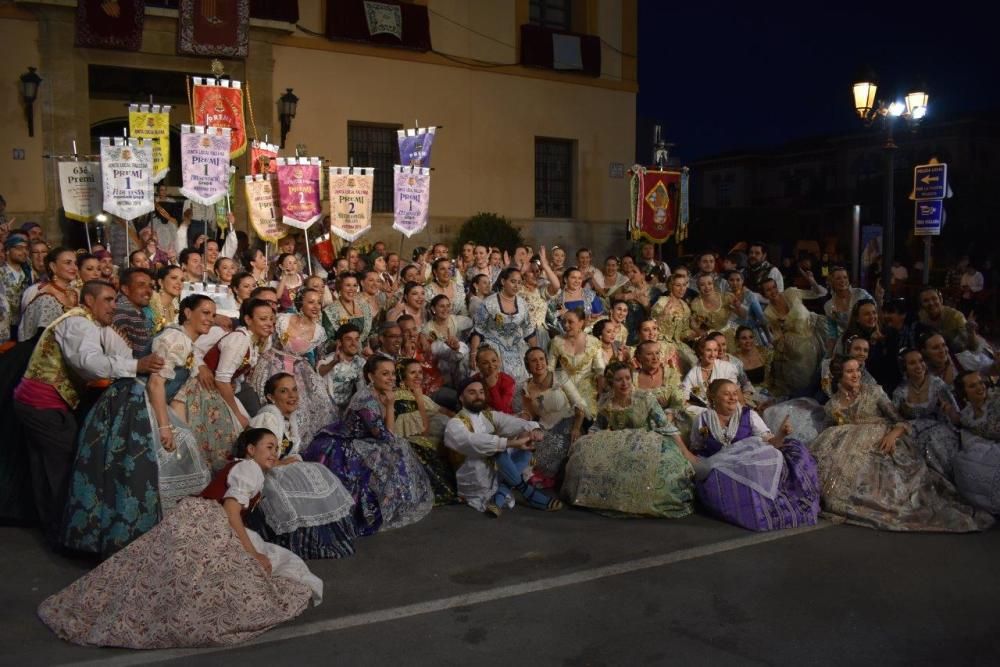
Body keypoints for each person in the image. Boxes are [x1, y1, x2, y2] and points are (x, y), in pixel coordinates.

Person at [38, 428, 323, 649]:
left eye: (276, 448)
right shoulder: (249, 469)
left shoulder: (243, 467)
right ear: (251, 449)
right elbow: (231, 510)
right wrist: (251, 554)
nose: (274, 453)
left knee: (154, 572)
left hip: (194, 515)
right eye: (269, 447)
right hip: (209, 520)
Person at [61, 294, 215, 556]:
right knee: (132, 472)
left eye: (213, 314)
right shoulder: (175, 338)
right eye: (205, 312)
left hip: (145, 403)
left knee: (143, 468)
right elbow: (156, 384)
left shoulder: (186, 342)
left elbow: (171, 390)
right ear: (187, 313)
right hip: (134, 405)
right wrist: (165, 428)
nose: (210, 319)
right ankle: (124, 542)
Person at [12, 281, 164, 538]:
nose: (113, 306)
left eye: (115, 300)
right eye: (107, 300)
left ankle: (53, 526)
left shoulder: (93, 323)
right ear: (89, 301)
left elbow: (114, 349)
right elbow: (90, 363)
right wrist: (136, 366)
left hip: (41, 401)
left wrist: (132, 361)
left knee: (47, 464)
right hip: (41, 403)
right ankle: (66, 531)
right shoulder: (79, 323)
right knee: (67, 462)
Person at [807, 357, 991, 532]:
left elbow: (901, 421)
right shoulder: (832, 405)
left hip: (881, 440)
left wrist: (893, 434)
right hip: (849, 448)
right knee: (832, 489)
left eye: (857, 370)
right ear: (839, 375)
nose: (856, 375)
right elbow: (827, 429)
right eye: (849, 371)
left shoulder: (873, 391)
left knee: (892, 491)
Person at [304, 356, 433, 535]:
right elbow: (386, 436)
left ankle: (395, 500)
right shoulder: (366, 401)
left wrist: (389, 405)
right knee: (394, 449)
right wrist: (390, 407)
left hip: (368, 438)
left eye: (393, 374)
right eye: (385, 374)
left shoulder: (384, 393)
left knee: (397, 447)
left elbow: (388, 434)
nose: (391, 378)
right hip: (348, 443)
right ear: (371, 377)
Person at [563, 362, 696, 517]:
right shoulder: (606, 402)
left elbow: (665, 426)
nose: (625, 383)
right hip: (618, 445)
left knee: (665, 474)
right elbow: (598, 427)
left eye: (627, 378)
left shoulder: (645, 398)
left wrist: (685, 452)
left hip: (647, 443)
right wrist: (587, 444)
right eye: (619, 379)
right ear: (611, 382)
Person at [247, 373, 356, 559]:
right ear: (271, 397)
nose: (292, 395)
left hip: (277, 469)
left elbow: (290, 452)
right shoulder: (268, 418)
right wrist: (284, 463)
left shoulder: (288, 419)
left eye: (294, 389)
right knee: (308, 476)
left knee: (316, 472)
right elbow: (258, 459)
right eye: (284, 391)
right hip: (262, 475)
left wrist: (292, 462)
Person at [690, 379, 820, 531]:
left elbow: (772, 443)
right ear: (713, 398)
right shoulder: (703, 419)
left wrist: (781, 434)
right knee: (718, 475)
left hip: (747, 462)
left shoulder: (749, 415)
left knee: (756, 468)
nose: (733, 398)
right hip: (720, 465)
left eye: (735, 394)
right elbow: (697, 448)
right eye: (726, 394)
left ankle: (766, 512)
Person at [172, 298, 274, 471]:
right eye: (263, 319)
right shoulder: (239, 339)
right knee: (228, 436)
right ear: (248, 320)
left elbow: (232, 378)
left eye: (271, 319)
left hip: (218, 390)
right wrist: (236, 413)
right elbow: (221, 379)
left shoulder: (253, 342)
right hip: (204, 389)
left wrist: (236, 386)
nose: (269, 324)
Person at [443, 376, 562, 517]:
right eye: (472, 392)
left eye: (481, 392)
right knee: (499, 450)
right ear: (461, 398)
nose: (478, 396)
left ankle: (499, 497)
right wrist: (509, 443)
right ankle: (527, 492)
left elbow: (515, 423)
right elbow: (473, 441)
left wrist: (534, 430)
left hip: (498, 471)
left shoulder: (488, 416)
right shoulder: (454, 424)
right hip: (475, 478)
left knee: (526, 446)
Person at [250, 288, 333, 445]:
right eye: (311, 302)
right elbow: (264, 338)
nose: (316, 306)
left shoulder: (319, 332)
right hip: (271, 364)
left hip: (298, 371)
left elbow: (320, 359)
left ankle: (293, 444)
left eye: (318, 303)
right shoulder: (283, 319)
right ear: (301, 304)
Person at [517, 347, 588, 486]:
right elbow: (530, 416)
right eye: (534, 361)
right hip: (543, 427)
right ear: (528, 365)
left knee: (557, 447)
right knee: (528, 447)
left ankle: (552, 477)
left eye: (542, 359)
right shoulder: (525, 387)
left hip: (568, 423)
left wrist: (577, 428)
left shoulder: (560, 377)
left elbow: (580, 405)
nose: (539, 364)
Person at [392, 359, 458, 505]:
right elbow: (423, 430)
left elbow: (445, 412)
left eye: (420, 372)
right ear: (402, 376)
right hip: (408, 442)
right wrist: (419, 399)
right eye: (413, 373)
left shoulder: (421, 397)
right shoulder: (397, 397)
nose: (418, 376)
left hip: (420, 437)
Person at [893, 348, 961, 478]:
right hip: (914, 435)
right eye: (912, 363)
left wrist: (949, 410)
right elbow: (895, 419)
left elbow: (956, 417)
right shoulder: (900, 391)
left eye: (921, 361)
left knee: (934, 442)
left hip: (940, 432)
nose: (919, 366)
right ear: (905, 368)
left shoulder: (938, 385)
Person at [761, 273, 828, 398]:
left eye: (773, 287)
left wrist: (812, 281)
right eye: (768, 290)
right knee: (804, 372)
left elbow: (820, 293)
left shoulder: (791, 292)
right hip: (798, 345)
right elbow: (777, 338)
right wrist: (781, 328)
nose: (772, 291)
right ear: (764, 294)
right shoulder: (768, 312)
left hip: (816, 332)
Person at [470, 267, 537, 381]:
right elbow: (478, 330)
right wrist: (473, 353)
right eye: (513, 281)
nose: (516, 286)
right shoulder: (489, 303)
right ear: (503, 281)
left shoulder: (522, 304)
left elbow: (528, 330)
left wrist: (535, 352)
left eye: (519, 283)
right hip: (493, 345)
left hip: (517, 345)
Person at [951, 371, 1000, 514]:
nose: (980, 388)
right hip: (984, 449)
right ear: (964, 393)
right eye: (973, 386)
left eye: (980, 383)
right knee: (963, 462)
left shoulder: (996, 401)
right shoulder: (966, 414)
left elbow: (994, 431)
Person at [547, 308, 605, 417]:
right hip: (563, 387)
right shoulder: (557, 341)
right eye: (564, 322)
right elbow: (550, 368)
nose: (566, 325)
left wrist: (601, 395)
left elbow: (600, 370)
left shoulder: (593, 342)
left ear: (581, 323)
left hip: (588, 388)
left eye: (570, 322)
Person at [18, 247, 78, 342]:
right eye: (68, 263)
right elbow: (44, 339)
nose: (74, 268)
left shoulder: (76, 292)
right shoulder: (45, 296)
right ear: (53, 266)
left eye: (76, 263)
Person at [682, 336, 743, 412]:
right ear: (701, 351)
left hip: (730, 408)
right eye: (708, 350)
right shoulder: (692, 374)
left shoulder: (727, 368)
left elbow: (738, 396)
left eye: (715, 350)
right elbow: (683, 397)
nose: (713, 354)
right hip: (706, 412)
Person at [651, 274, 698, 371]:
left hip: (678, 344)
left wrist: (692, 333)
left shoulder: (685, 307)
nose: (682, 289)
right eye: (678, 285)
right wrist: (664, 314)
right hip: (660, 341)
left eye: (684, 285)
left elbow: (683, 332)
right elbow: (652, 324)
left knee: (693, 364)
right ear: (670, 286)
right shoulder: (662, 302)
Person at [422, 294, 471, 387]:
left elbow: (474, 324)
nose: (446, 309)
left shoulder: (455, 320)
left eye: (448, 306)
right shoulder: (427, 329)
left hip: (459, 361)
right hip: (441, 368)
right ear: (433, 309)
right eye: (441, 306)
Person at [319, 322, 366, 416]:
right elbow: (318, 374)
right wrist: (334, 362)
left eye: (356, 339)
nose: (354, 343)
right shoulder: (330, 360)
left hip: (349, 413)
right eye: (349, 339)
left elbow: (363, 391)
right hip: (326, 411)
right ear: (340, 342)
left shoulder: (360, 362)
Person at [822, 267, 872, 354]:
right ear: (832, 282)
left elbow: (875, 313)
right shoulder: (828, 305)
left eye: (845, 277)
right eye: (838, 278)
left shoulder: (860, 294)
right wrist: (828, 355)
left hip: (867, 337)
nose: (842, 281)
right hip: (845, 342)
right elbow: (832, 333)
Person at [323, 272, 374, 349]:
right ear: (340, 287)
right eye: (348, 285)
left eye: (354, 285)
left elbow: (371, 334)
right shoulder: (330, 311)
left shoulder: (364, 306)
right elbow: (328, 342)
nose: (352, 289)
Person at [0, 233, 32, 337]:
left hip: (24, 327)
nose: (24, 252)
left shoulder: (30, 274)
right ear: (8, 250)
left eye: (26, 249)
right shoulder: (1, 273)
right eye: (19, 248)